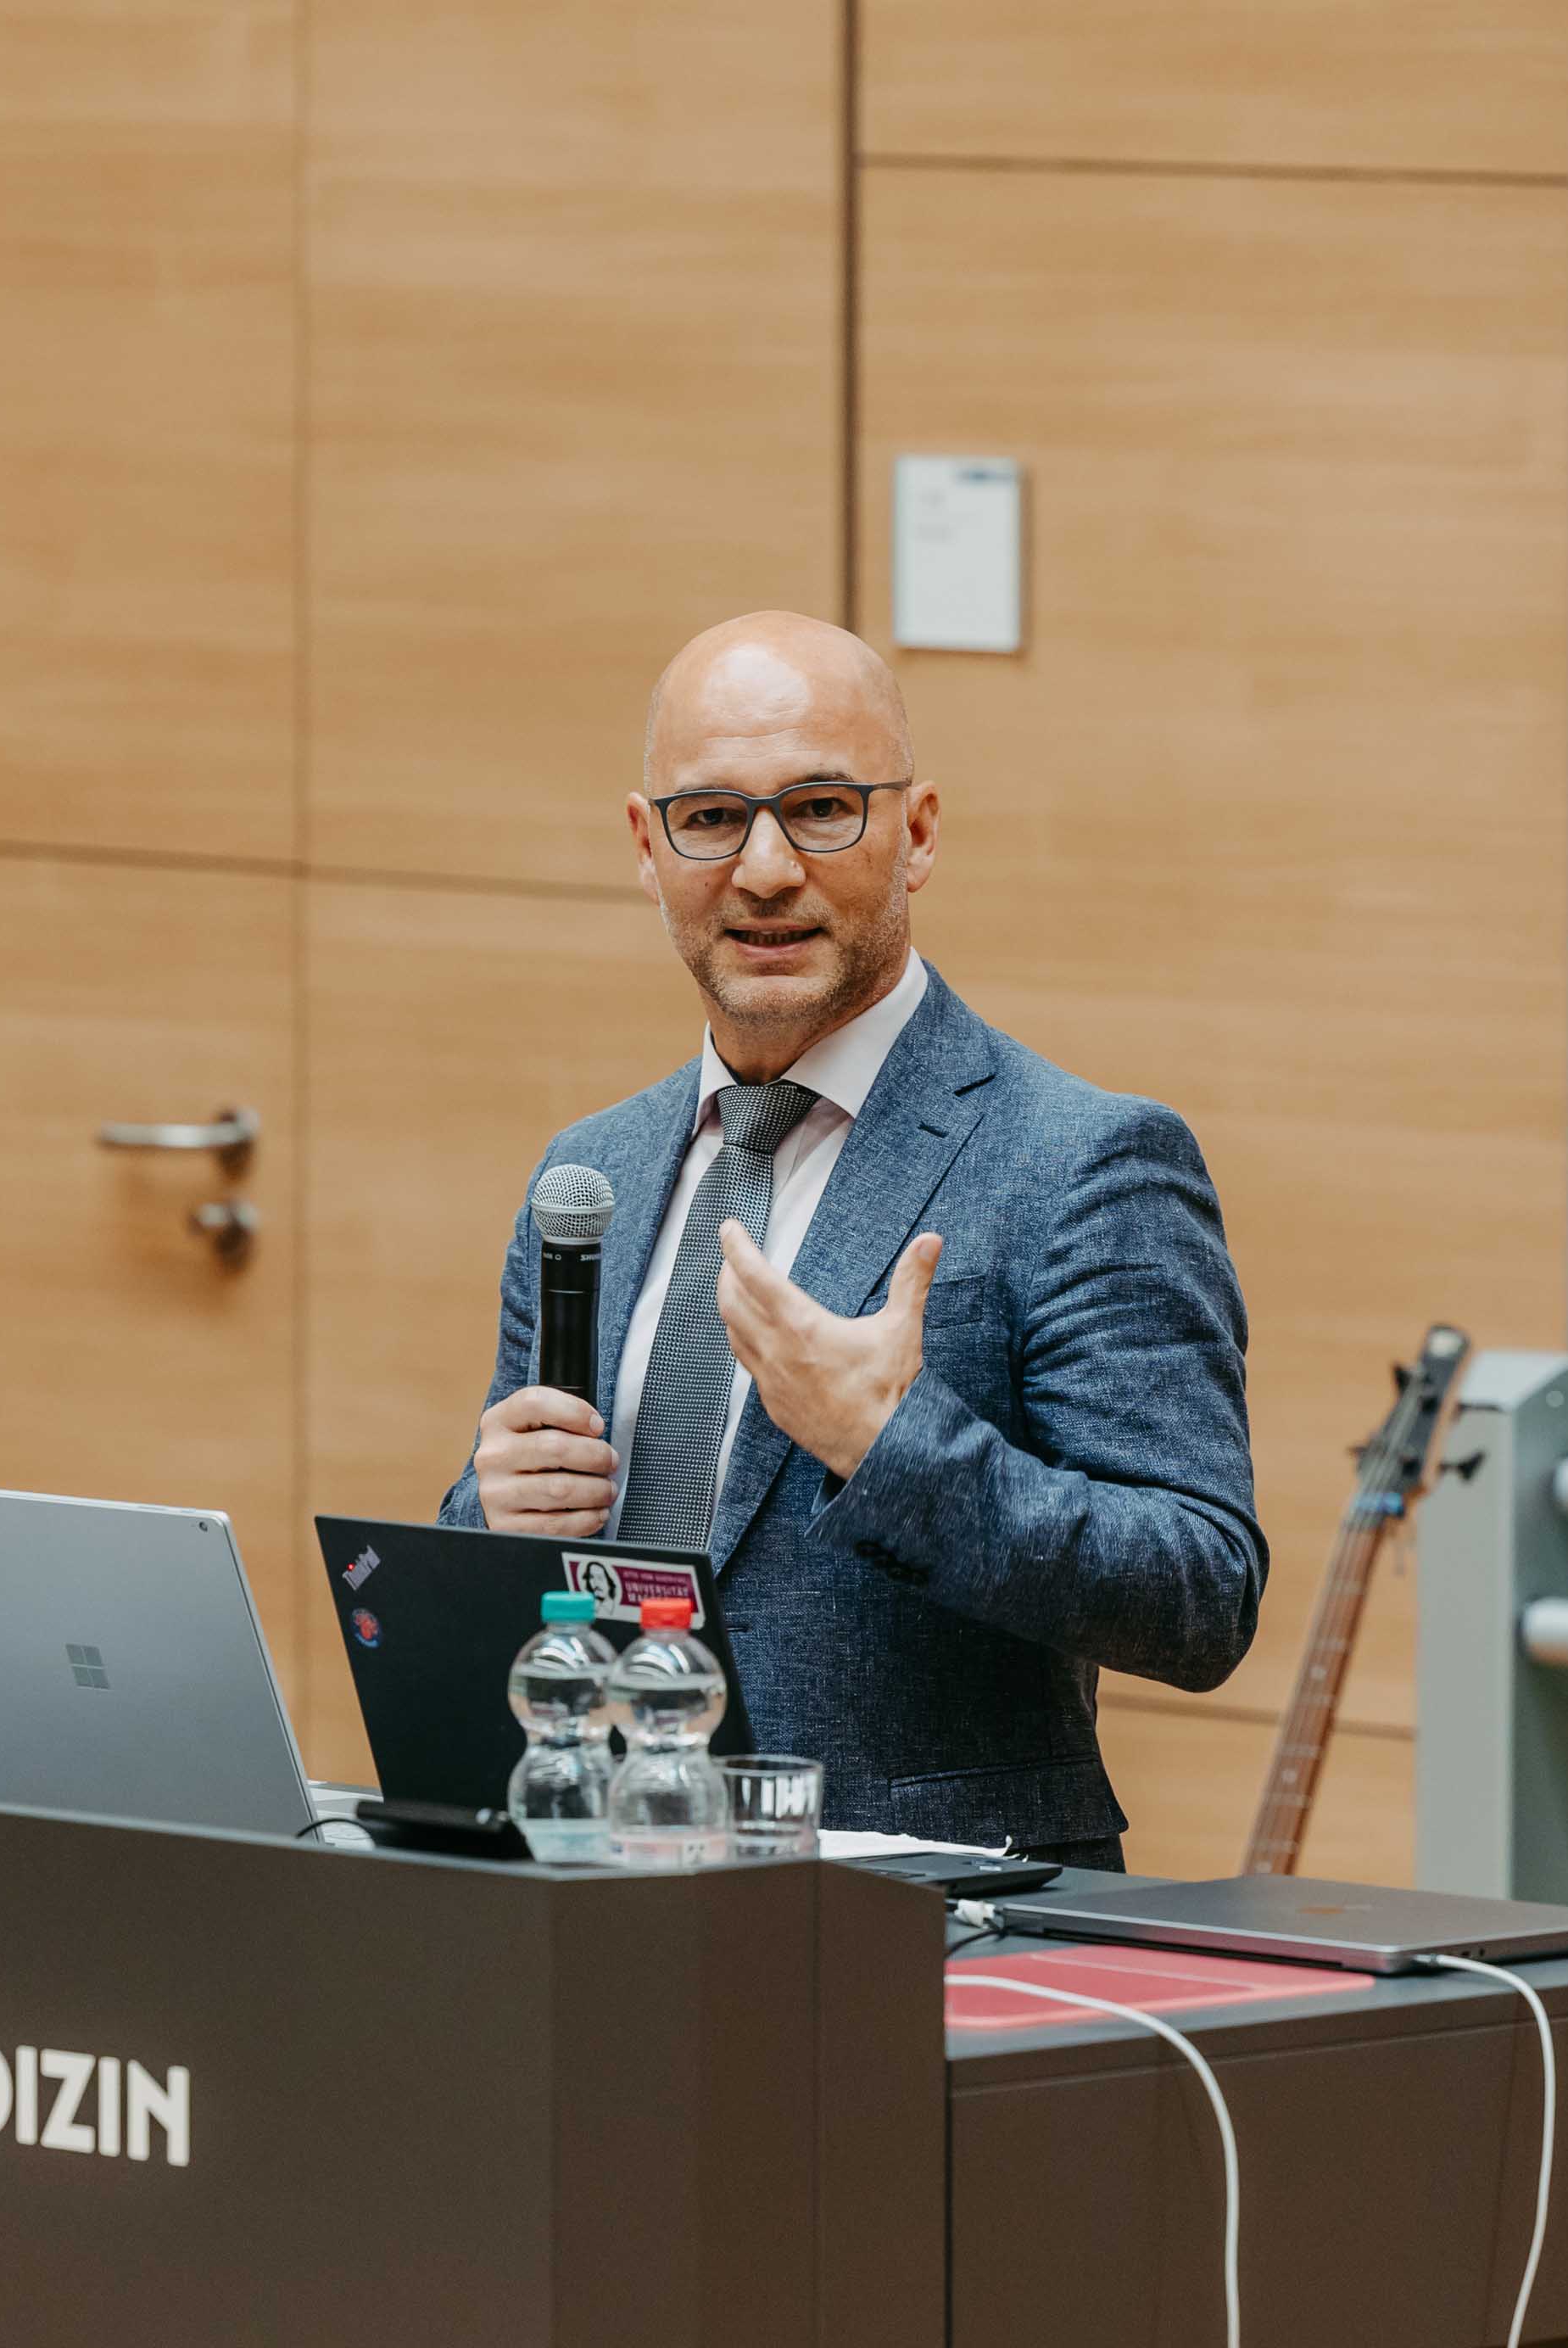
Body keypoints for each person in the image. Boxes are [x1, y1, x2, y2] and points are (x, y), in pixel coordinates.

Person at [442, 612, 1263, 1867]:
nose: (766, 870)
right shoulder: (589, 1175)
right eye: (712, 818)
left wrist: (892, 1449)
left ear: (917, 832)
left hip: (929, 1931)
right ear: (647, 848)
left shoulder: (1080, 1160)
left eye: (822, 809)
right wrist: (487, 1520)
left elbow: (1199, 1595)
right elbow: (520, 1587)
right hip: (594, 1888)